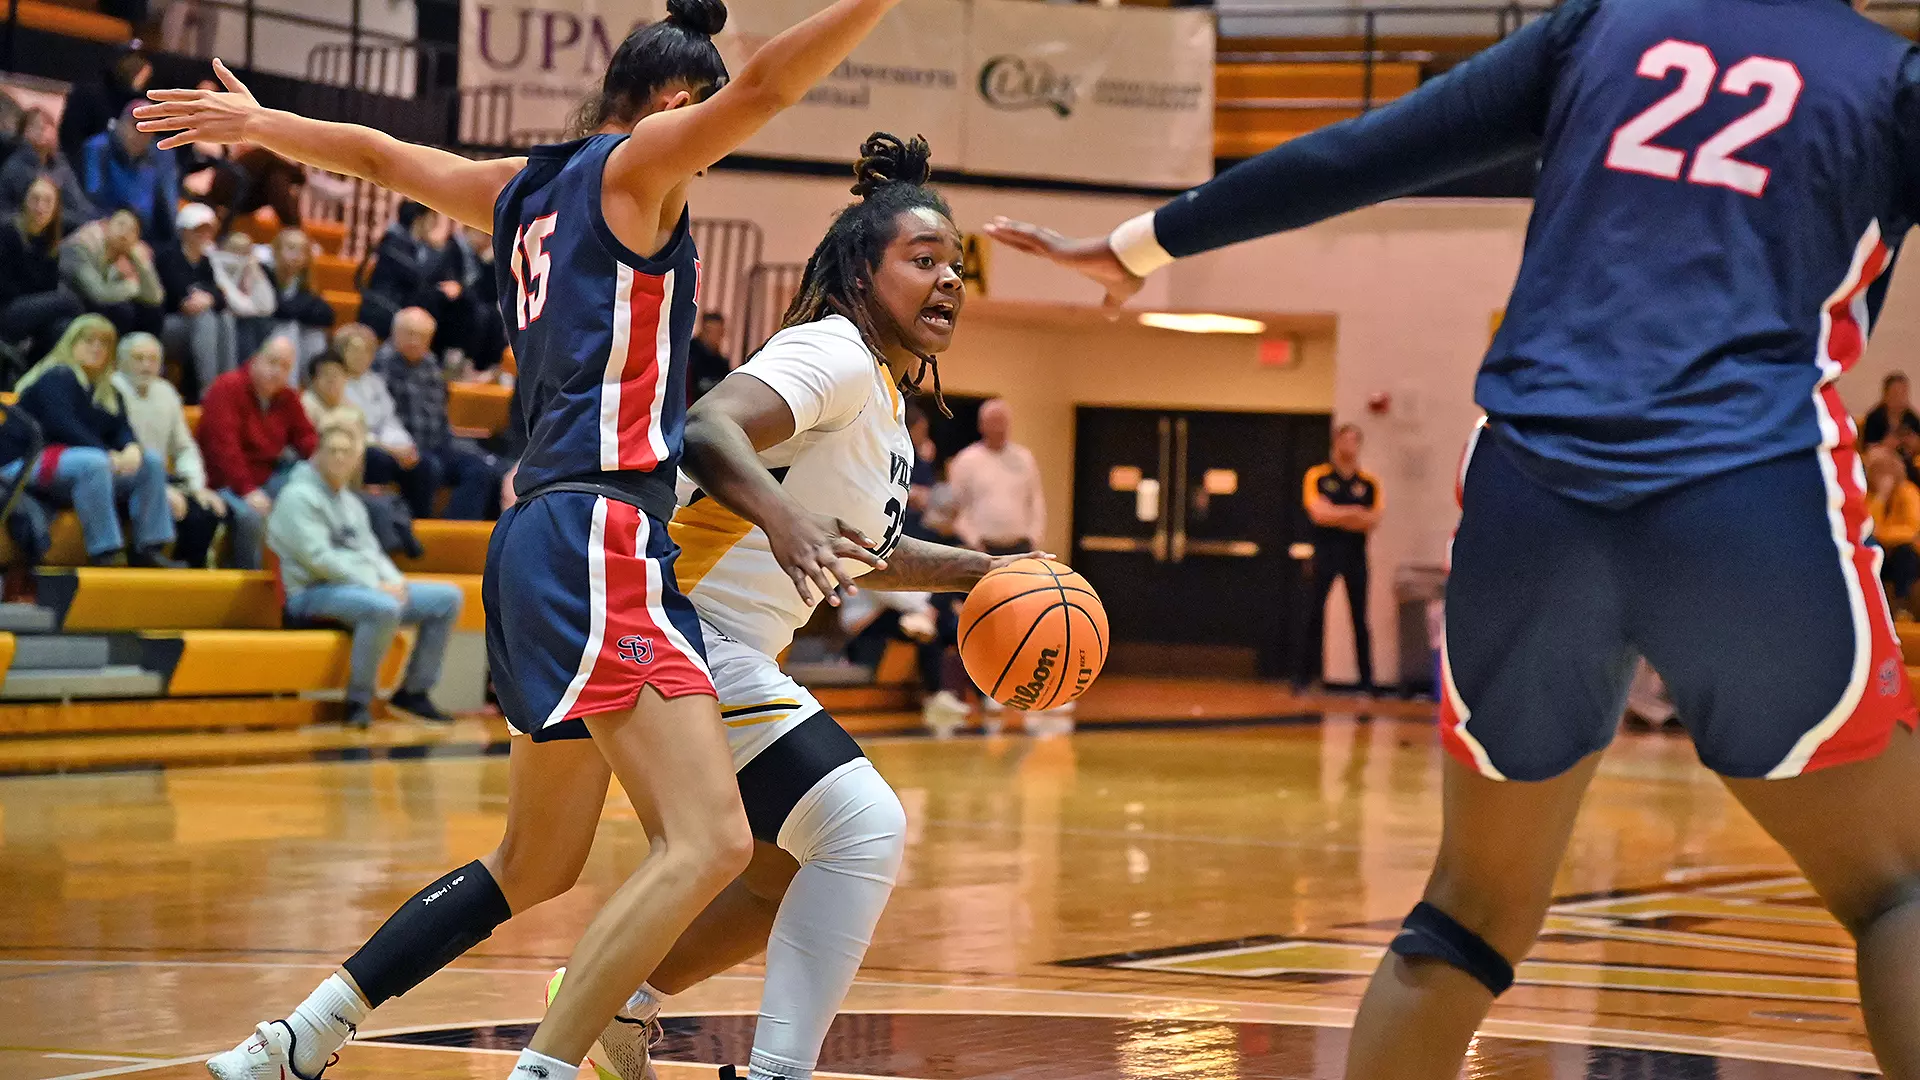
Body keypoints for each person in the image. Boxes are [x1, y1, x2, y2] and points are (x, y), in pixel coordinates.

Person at [985, 0, 1920, 1074]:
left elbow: (1367, 150)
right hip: (1747, 488)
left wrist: (1139, 245)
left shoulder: (1602, 27)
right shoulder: (1884, 78)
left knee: (1469, 914)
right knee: (1896, 888)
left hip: (1533, 489)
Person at [137, 0, 917, 1072]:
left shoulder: (521, 190)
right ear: (673, 104)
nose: (709, 151)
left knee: (537, 861)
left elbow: (382, 157)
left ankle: (296, 1038)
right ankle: (543, 1068)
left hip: (536, 538)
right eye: (702, 122)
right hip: (601, 529)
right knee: (711, 840)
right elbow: (770, 87)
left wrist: (267, 125)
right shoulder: (637, 168)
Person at [268, 422, 460, 728]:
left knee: (447, 598)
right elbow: (319, 560)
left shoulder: (349, 502)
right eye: (332, 450)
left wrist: (394, 581)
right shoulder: (297, 497)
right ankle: (358, 700)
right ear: (317, 454)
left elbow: (372, 552)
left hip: (360, 589)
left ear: (356, 459)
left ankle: (413, 693)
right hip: (309, 593)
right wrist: (376, 586)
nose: (339, 458)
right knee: (383, 607)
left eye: (346, 452)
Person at [5, 315, 178, 566]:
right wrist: (108, 453)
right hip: (23, 464)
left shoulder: (108, 390)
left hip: (77, 465)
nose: (97, 348)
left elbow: (121, 427)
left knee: (149, 462)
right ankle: (105, 552)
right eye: (89, 341)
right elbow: (63, 425)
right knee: (94, 462)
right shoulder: (55, 376)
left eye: (104, 343)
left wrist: (131, 448)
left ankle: (150, 548)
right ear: (71, 343)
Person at [197, 335, 316, 570]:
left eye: (285, 367)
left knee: (312, 485)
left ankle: (304, 571)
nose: (277, 372)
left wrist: (324, 463)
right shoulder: (226, 387)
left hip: (267, 478)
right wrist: (247, 490)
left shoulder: (288, 396)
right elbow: (223, 450)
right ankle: (249, 576)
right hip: (223, 482)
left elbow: (306, 436)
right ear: (256, 359)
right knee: (251, 516)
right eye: (272, 362)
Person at [376, 306, 504, 519]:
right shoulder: (382, 365)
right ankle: (421, 529)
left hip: (438, 443)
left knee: (481, 468)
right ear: (395, 333)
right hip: (402, 446)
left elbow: (441, 414)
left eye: (422, 336)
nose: (415, 341)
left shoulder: (431, 365)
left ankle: (457, 530)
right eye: (410, 334)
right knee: (430, 468)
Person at [113, 330, 225, 566]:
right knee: (167, 504)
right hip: (123, 478)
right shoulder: (111, 390)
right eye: (139, 358)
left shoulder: (167, 392)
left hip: (162, 478)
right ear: (121, 361)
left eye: (153, 359)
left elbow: (184, 447)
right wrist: (160, 489)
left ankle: (187, 579)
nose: (146, 366)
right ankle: (145, 566)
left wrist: (195, 486)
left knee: (205, 511)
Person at [1300, 423, 1382, 694]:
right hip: (1325, 553)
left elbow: (1373, 519)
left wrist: (1336, 513)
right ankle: (1303, 678)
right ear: (1336, 443)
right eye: (1344, 440)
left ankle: (1366, 681)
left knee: (1360, 618)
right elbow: (1318, 514)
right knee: (1313, 613)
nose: (1349, 445)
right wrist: (1353, 513)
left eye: (1354, 440)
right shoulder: (1318, 476)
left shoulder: (1369, 482)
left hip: (1355, 556)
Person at [335, 321, 430, 515]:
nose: (362, 357)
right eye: (355, 351)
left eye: (367, 351)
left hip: (387, 443)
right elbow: (353, 428)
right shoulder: (335, 383)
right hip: (357, 444)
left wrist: (405, 446)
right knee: (379, 459)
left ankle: (416, 522)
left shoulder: (375, 381)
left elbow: (389, 420)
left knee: (426, 466)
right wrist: (391, 449)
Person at [0, 176, 85, 367]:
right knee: (70, 301)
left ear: (55, 209)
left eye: (48, 201)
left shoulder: (49, 243)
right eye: (35, 199)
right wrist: (39, 303)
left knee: (62, 327)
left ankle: (34, 374)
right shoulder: (6, 233)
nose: (40, 207)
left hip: (31, 313)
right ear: (24, 201)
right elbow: (5, 290)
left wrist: (40, 305)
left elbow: (49, 289)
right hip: (6, 311)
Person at [155, 202, 235, 401]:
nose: (204, 235)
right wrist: (210, 298)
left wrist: (209, 297)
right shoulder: (168, 257)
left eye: (208, 230)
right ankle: (209, 392)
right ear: (184, 231)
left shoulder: (206, 262)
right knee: (205, 318)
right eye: (199, 230)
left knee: (225, 318)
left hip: (195, 326)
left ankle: (228, 386)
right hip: (167, 327)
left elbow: (221, 298)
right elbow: (182, 301)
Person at [946, 397, 1043, 555]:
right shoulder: (966, 460)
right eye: (993, 422)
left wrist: (1033, 538)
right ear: (981, 425)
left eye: (1002, 422)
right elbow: (957, 507)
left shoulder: (1024, 458)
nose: (999, 428)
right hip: (982, 548)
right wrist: (974, 541)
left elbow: (1036, 500)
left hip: (1021, 547)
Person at [355, 199, 455, 338]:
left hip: (402, 306)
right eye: (432, 219)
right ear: (419, 219)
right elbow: (418, 277)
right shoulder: (393, 242)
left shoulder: (418, 246)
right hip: (384, 307)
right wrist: (438, 251)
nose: (434, 225)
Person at [81, 103, 179, 244]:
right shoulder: (98, 147)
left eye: (148, 129)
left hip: (143, 238)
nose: (141, 135)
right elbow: (93, 196)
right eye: (136, 126)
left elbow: (168, 211)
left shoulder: (160, 156)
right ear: (121, 124)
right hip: (103, 228)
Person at [58, 208, 163, 338]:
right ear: (106, 225)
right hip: (65, 302)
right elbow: (98, 293)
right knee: (122, 310)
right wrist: (131, 287)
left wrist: (141, 263)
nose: (125, 232)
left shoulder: (123, 256)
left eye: (132, 230)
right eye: (121, 224)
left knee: (151, 313)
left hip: (90, 304)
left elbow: (155, 298)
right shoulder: (83, 245)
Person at [0, 108, 97, 224]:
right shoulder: (15, 168)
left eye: (47, 125)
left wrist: (99, 220)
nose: (41, 129)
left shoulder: (61, 166)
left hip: (63, 227)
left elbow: (79, 204)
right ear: (22, 133)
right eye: (33, 125)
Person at [59, 44, 150, 168]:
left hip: (127, 172)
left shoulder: (141, 102)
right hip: (84, 167)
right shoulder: (87, 95)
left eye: (141, 63)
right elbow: (71, 141)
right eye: (133, 63)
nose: (138, 69)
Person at [269, 227, 337, 364]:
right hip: (261, 330)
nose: (296, 255)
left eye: (303, 251)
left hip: (290, 331)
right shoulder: (265, 272)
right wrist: (308, 302)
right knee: (289, 327)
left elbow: (327, 315)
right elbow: (282, 310)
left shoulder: (302, 282)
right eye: (291, 248)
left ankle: (312, 375)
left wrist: (304, 303)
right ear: (276, 250)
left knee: (315, 333)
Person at [1869, 444, 1920, 616]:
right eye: (1875, 470)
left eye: (1883, 469)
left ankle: (1902, 607)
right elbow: (1867, 529)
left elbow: (1912, 531)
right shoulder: (1869, 496)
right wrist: (1881, 497)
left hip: (1907, 552)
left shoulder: (1909, 491)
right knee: (1871, 549)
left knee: (1905, 552)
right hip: (1883, 551)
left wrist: (1881, 534)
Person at [211, 230, 277, 358]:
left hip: (246, 321)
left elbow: (268, 306)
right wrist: (254, 308)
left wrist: (255, 272)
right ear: (223, 248)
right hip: (221, 320)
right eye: (235, 248)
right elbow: (234, 304)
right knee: (246, 324)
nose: (240, 254)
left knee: (264, 324)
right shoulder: (214, 266)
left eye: (246, 250)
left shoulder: (250, 268)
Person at [1863, 372, 1920, 449]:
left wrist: (1915, 443)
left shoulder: (1911, 418)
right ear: (1886, 395)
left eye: (1903, 393)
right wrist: (1885, 444)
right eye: (1895, 393)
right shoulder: (1875, 418)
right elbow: (1868, 448)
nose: (1900, 399)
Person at [687, 309, 731, 401]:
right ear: (702, 330)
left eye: (718, 333)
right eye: (710, 332)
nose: (714, 337)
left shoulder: (721, 363)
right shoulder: (689, 356)